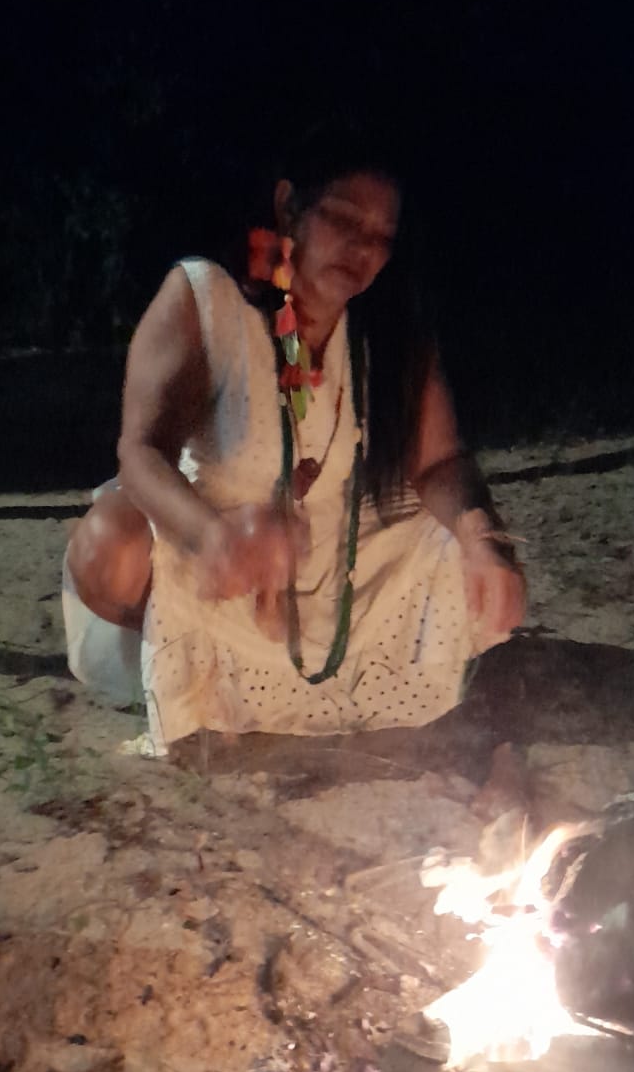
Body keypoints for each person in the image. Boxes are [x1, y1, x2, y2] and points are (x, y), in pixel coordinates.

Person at [62, 145, 526, 754]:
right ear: (288, 206)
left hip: (338, 554)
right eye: (344, 219)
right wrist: (212, 537)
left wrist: (484, 540)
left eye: (381, 236)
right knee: (113, 545)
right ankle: (174, 671)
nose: (362, 248)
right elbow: (140, 452)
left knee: (458, 546)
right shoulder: (208, 299)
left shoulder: (388, 329)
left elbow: (440, 463)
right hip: (214, 553)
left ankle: (328, 685)